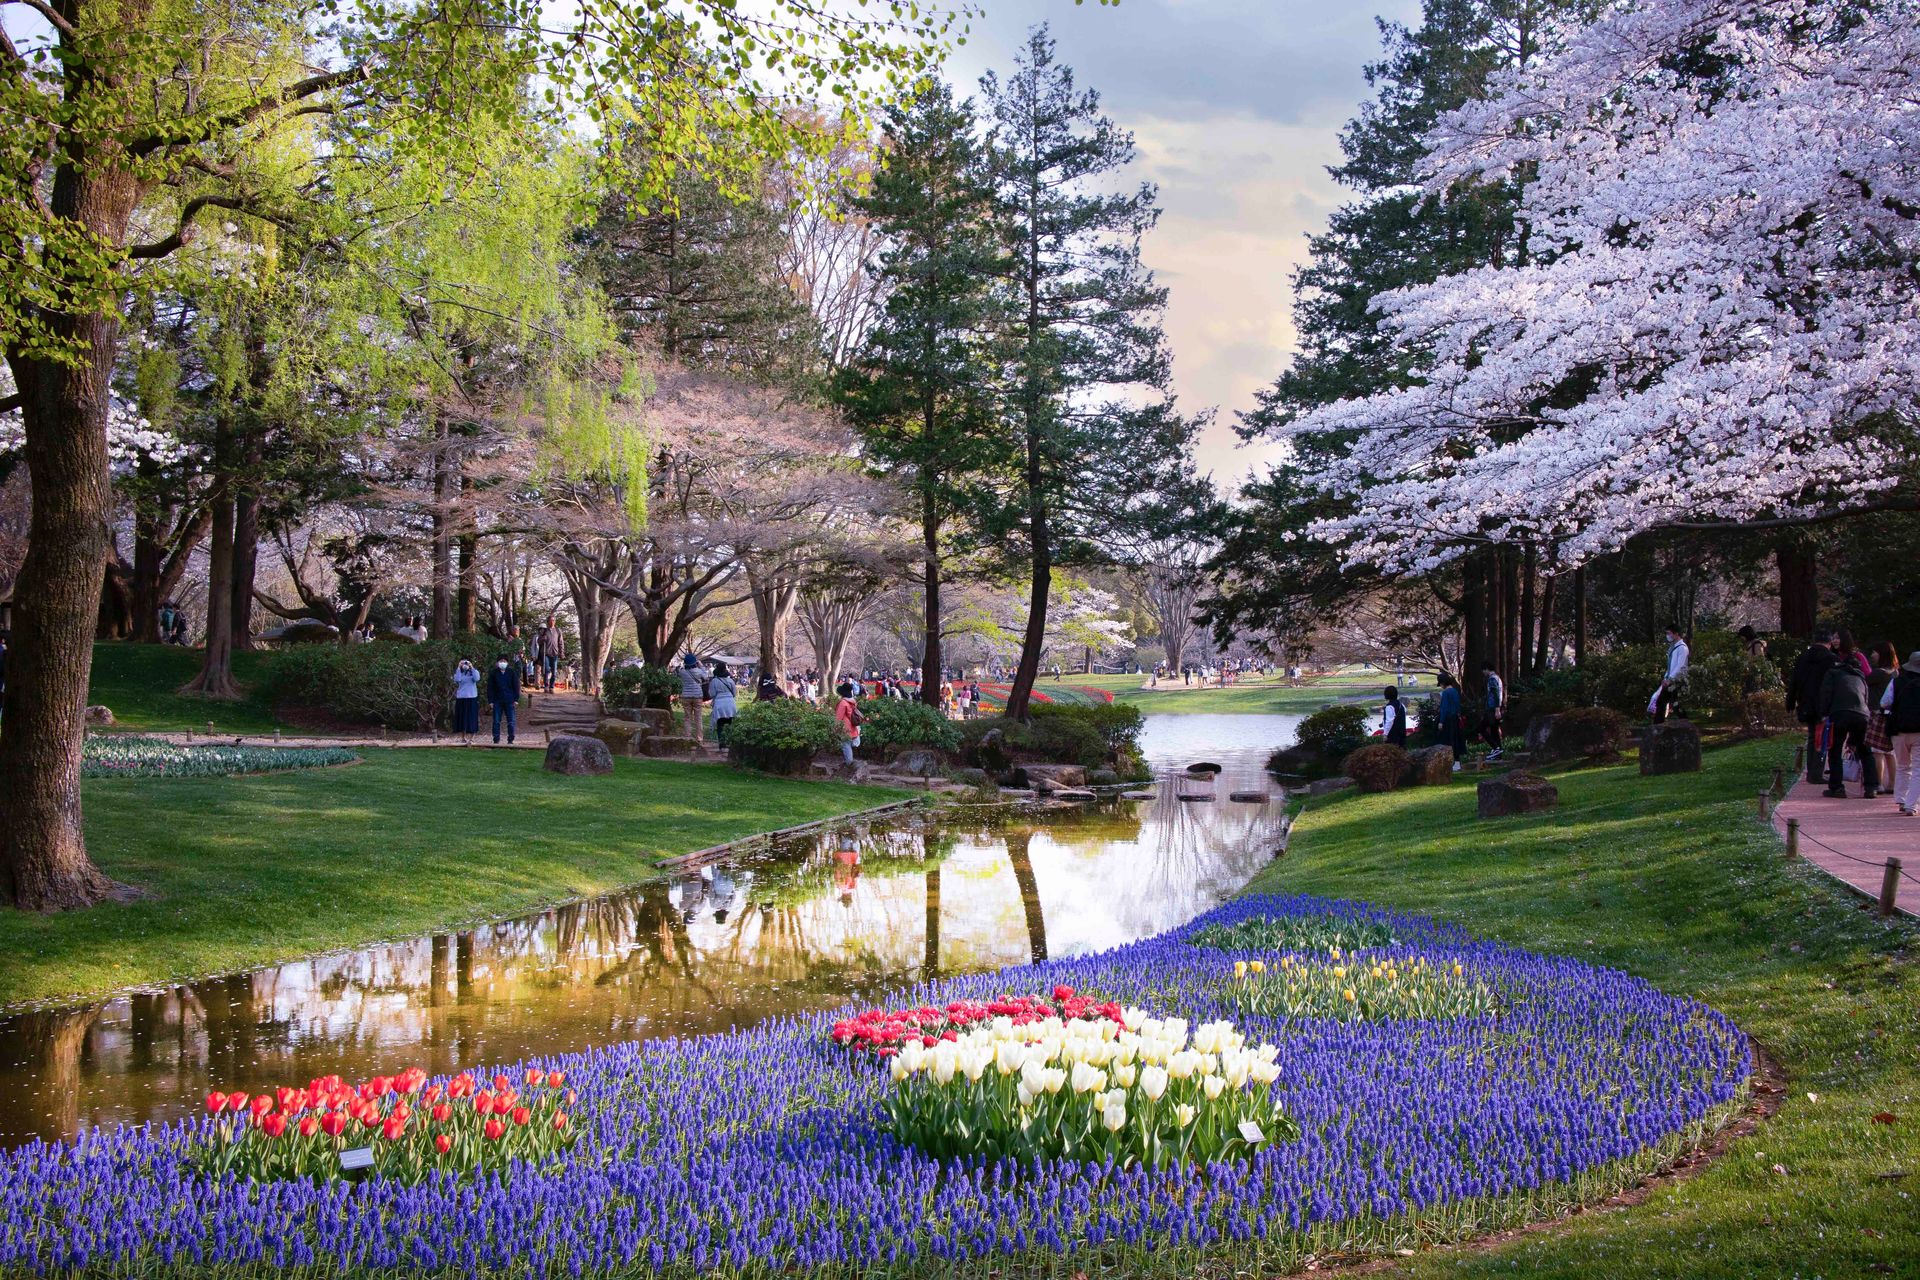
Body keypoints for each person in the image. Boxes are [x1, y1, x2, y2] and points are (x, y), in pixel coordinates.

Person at [1816, 638, 1877, 799]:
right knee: (1865, 751)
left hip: (1839, 713)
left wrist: (1823, 714)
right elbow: (1866, 698)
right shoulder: (1861, 677)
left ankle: (1837, 787)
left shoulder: (1833, 673)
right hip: (1861, 714)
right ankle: (1871, 787)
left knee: (1835, 750)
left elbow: (1826, 695)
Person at [1786, 629, 1840, 783]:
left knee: (1812, 737)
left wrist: (1790, 700)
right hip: (1824, 703)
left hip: (1806, 702)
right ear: (1829, 643)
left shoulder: (1802, 658)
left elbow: (1794, 681)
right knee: (1823, 737)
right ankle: (1817, 772)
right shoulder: (1831, 659)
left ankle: (1811, 770)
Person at [1881, 650, 1920, 816]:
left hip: (1898, 729)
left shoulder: (1896, 682)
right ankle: (1912, 805)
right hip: (1919, 731)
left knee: (1903, 766)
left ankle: (1901, 800)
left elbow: (1884, 703)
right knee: (1918, 769)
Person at [1867, 641, 1899, 789]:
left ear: (1882, 654)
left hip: (1878, 714)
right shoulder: (1895, 672)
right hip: (1892, 715)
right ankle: (1892, 783)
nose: (1872, 655)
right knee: (1890, 751)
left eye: (1875, 652)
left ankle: (1878, 783)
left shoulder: (1878, 673)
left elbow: (1864, 679)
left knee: (1877, 751)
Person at [1652, 624, 1689, 723]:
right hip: (1670, 679)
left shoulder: (1682, 648)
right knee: (1662, 702)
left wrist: (1670, 679)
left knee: (1675, 704)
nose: (1667, 636)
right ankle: (1658, 725)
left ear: (1676, 634)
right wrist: (1665, 678)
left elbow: (1680, 666)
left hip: (1677, 680)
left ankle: (1686, 724)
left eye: (1669, 633)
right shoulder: (1673, 647)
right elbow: (1670, 666)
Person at [486, 651, 520, 746]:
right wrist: (490, 701)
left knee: (511, 721)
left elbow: (516, 686)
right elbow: (490, 688)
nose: (502, 662)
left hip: (510, 700)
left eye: (504, 661)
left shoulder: (511, 672)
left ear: (507, 663)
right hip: (497, 700)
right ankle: (496, 739)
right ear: (497, 663)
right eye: (501, 661)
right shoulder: (493, 673)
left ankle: (510, 739)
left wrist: (516, 699)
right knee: (496, 721)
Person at [1435, 673, 1466, 769]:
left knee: (1446, 740)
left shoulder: (1446, 693)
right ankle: (1457, 762)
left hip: (1448, 719)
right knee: (1455, 739)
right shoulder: (1455, 691)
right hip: (1455, 718)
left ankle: (1449, 762)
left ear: (1443, 683)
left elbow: (1444, 708)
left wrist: (1441, 721)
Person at [677, 653, 710, 743]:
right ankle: (699, 738)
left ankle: (687, 737)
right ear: (695, 662)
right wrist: (701, 666)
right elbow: (706, 677)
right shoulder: (699, 671)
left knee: (687, 717)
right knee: (698, 717)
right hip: (697, 696)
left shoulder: (682, 672)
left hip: (685, 696)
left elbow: (678, 672)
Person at [1480, 662, 1506, 760]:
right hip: (1494, 707)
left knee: (1481, 728)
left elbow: (1496, 694)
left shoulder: (1492, 679)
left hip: (1492, 708)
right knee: (1494, 730)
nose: (1483, 672)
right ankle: (1498, 753)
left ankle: (1496, 748)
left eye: (1483, 670)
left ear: (1487, 668)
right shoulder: (1497, 678)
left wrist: (1497, 709)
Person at [451, 658, 481, 745]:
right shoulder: (460, 672)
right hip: (461, 698)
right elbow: (457, 679)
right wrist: (458, 667)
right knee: (462, 718)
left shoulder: (474, 672)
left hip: (472, 697)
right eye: (463, 662)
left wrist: (471, 667)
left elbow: (477, 678)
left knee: (472, 718)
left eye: (466, 662)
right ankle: (463, 737)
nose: (465, 664)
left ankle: (472, 738)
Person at [709, 660, 738, 747]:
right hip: (730, 704)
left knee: (720, 724)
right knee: (730, 724)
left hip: (719, 705)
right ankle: (730, 741)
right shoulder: (730, 681)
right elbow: (734, 693)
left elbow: (712, 694)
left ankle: (722, 743)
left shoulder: (714, 681)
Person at [535, 615, 564, 693]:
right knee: (546, 670)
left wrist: (561, 653)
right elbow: (538, 641)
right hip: (546, 654)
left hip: (555, 653)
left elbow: (561, 643)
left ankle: (551, 687)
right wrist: (542, 638)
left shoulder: (558, 631)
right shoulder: (545, 631)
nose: (552, 622)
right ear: (548, 622)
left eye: (553, 620)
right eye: (551, 620)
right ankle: (546, 686)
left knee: (554, 672)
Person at [834, 686, 862, 765]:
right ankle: (850, 761)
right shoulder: (853, 701)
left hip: (845, 726)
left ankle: (849, 763)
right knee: (850, 742)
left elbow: (838, 717)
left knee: (845, 744)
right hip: (853, 725)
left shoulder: (843, 702)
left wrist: (835, 728)